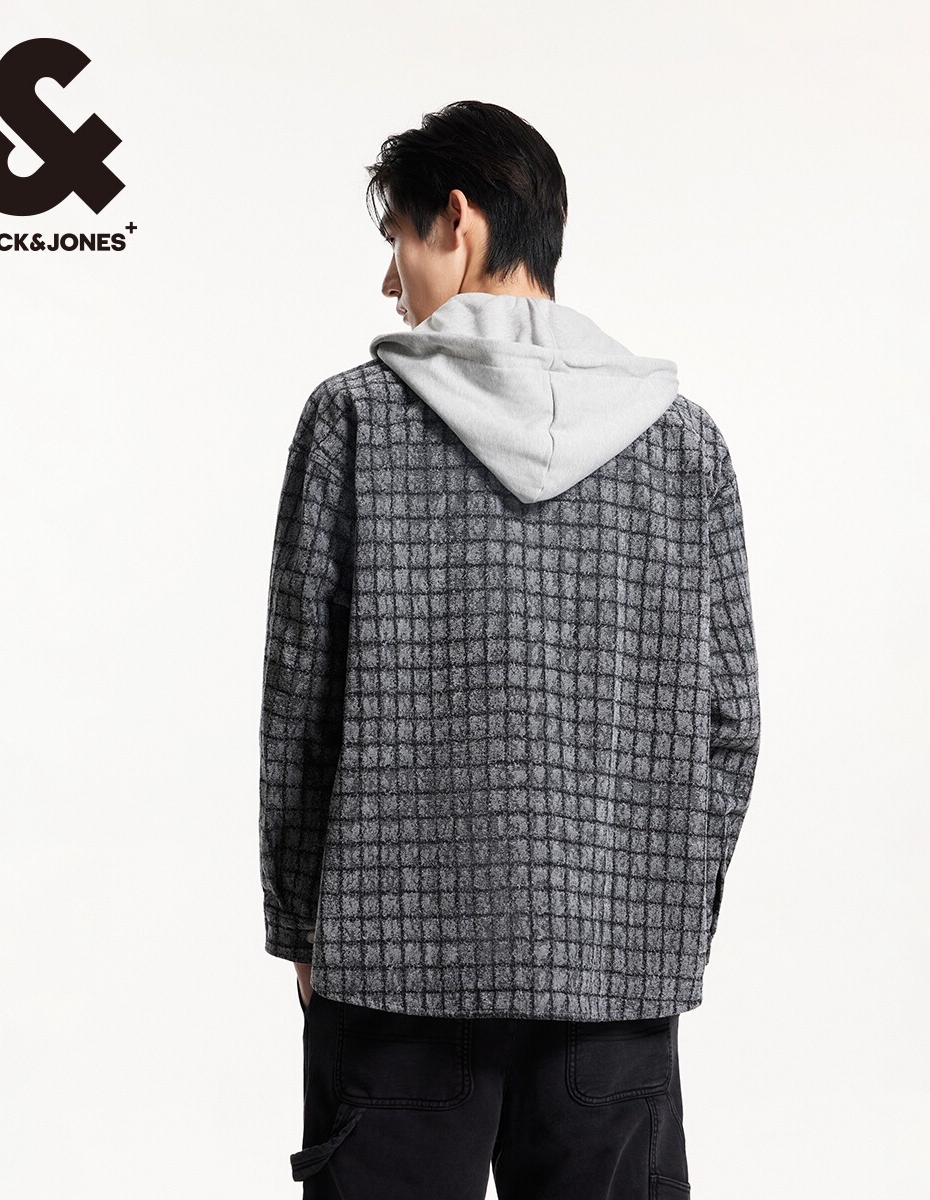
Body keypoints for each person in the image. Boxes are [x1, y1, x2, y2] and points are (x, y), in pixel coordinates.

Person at [258, 100, 761, 1199]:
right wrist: (657, 913)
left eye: (398, 239)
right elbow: (732, 725)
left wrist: (303, 924)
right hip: (614, 979)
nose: (390, 281)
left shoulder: (354, 422)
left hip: (390, 973)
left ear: (458, 220)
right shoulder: (685, 446)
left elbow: (302, 702)